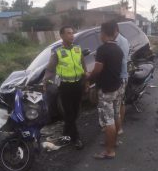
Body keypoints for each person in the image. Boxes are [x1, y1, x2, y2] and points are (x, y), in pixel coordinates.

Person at [43, 26, 87, 150]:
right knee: (69, 113)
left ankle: (66, 134)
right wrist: (45, 82)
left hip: (78, 84)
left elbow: (83, 66)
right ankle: (76, 138)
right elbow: (50, 69)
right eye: (68, 33)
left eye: (72, 33)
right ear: (61, 36)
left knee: (76, 111)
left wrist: (86, 82)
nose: (72, 35)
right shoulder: (57, 51)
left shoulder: (78, 49)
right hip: (65, 86)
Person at [87, 20, 123, 159]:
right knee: (115, 115)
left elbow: (98, 70)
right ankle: (113, 142)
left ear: (103, 33)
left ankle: (109, 151)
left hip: (107, 89)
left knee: (108, 121)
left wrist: (89, 76)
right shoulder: (118, 49)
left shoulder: (103, 49)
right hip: (116, 87)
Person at [114, 24, 130, 135]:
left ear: (116, 30)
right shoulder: (123, 39)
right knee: (121, 102)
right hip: (123, 74)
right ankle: (119, 125)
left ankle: (118, 128)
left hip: (120, 75)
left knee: (118, 103)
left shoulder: (119, 41)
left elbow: (119, 60)